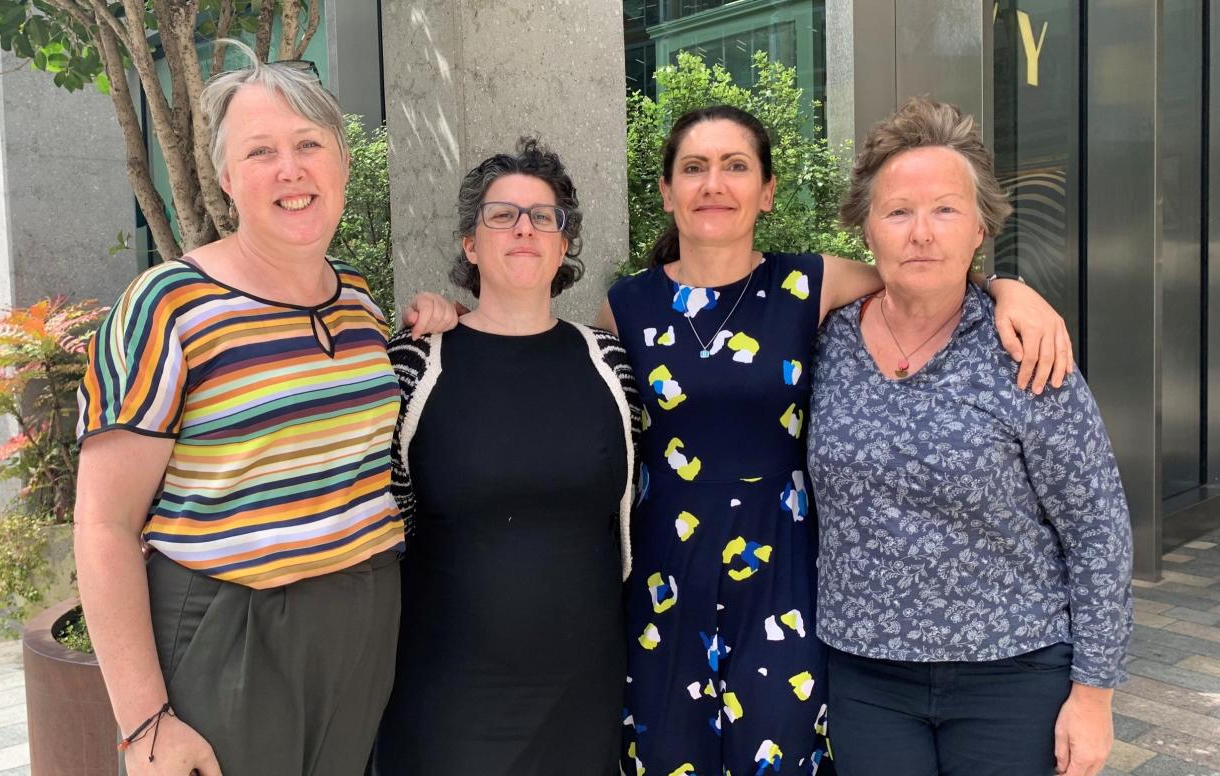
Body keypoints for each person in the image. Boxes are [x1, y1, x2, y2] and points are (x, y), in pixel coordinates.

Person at [403, 105, 1072, 776]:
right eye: (694, 168)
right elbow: (535, 357)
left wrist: (1008, 289)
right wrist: (452, 318)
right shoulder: (625, 308)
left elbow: (926, 277)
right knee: (664, 754)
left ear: (767, 189)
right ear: (666, 192)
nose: (713, 184)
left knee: (778, 755)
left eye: (735, 166)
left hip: (781, 576)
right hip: (665, 572)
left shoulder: (812, 283)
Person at [73, 42, 402, 776]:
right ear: (226, 177)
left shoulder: (359, 302)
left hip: (364, 616)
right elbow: (103, 524)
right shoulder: (168, 305)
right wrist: (145, 722)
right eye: (260, 152)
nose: (290, 169)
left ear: (342, 163)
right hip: (230, 633)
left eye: (308, 144)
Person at [808, 96, 1132, 776]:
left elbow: (1098, 528)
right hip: (866, 682)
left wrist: (1094, 693)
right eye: (898, 211)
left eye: (945, 209)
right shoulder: (821, 344)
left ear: (980, 227)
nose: (921, 232)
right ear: (866, 229)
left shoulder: (1025, 349)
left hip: (1013, 677)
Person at [369, 138, 641, 776]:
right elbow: (386, 509)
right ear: (470, 243)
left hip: (584, 689)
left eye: (543, 216)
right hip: (444, 693)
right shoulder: (415, 361)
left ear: (565, 241)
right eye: (502, 215)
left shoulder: (610, 362)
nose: (525, 228)